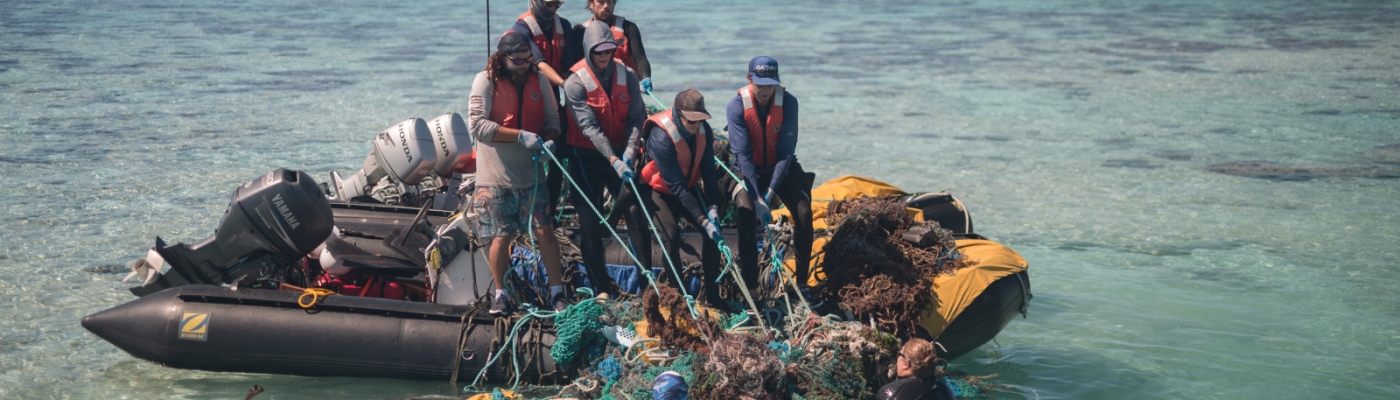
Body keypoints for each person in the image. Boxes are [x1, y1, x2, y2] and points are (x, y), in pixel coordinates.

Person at [466, 31, 571, 315]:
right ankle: (501, 294)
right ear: (503, 58)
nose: (525, 64)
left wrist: (550, 139)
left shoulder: (540, 80)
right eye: (518, 60)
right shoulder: (485, 81)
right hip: (495, 177)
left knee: (545, 233)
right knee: (501, 236)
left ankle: (557, 293)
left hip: (532, 176)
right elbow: (476, 126)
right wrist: (519, 135)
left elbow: (553, 119)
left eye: (528, 59)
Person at [561, 22, 650, 298]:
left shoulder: (629, 76)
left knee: (635, 214)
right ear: (588, 49)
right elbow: (589, 127)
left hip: (623, 154)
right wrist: (613, 158)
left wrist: (630, 153)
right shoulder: (575, 82)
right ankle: (601, 287)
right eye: (598, 50)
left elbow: (637, 117)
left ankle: (648, 285)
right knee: (589, 223)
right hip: (586, 159)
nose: (604, 55)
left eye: (609, 49)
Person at [639, 89, 737, 313]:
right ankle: (678, 298)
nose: (696, 125)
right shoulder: (661, 136)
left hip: (688, 188)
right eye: (690, 120)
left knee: (713, 233)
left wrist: (712, 209)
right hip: (660, 191)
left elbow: (710, 175)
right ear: (677, 114)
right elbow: (677, 188)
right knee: (671, 237)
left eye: (699, 119)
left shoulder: (704, 130)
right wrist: (702, 220)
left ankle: (712, 296)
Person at [726, 56, 816, 290]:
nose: (765, 90)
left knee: (804, 212)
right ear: (749, 78)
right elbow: (743, 155)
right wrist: (757, 198)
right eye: (760, 84)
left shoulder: (789, 103)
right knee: (746, 215)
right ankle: (751, 287)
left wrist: (770, 194)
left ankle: (803, 283)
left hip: (781, 167)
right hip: (749, 168)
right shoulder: (736, 107)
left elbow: (786, 152)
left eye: (770, 84)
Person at [573, 0, 652, 93]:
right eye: (601, 2)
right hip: (595, 91)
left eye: (609, 2)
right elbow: (577, 66)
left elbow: (640, 58)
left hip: (625, 89)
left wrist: (645, 77)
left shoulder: (628, 28)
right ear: (591, 4)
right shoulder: (580, 32)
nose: (606, 6)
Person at [512, 0, 575, 88]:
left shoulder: (564, 25)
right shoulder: (521, 29)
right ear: (535, 1)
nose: (553, 8)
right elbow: (539, 62)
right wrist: (563, 84)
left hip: (554, 87)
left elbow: (569, 62)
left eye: (557, 4)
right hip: (529, 89)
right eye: (549, 4)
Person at [874, 339, 955, 400]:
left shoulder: (891, 391)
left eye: (899, 354)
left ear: (906, 364)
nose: (897, 357)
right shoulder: (944, 387)